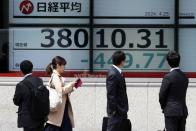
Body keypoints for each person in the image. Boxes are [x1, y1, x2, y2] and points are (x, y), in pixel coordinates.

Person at [159, 50, 189, 131]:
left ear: (168, 63)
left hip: (171, 111)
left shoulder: (168, 77)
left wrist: (163, 107)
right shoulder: (185, 77)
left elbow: (162, 95)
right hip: (182, 110)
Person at [44, 56, 75, 131]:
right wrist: (70, 86)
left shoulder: (57, 76)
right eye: (63, 65)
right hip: (59, 110)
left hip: (61, 110)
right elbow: (60, 91)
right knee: (55, 126)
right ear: (58, 65)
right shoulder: (55, 76)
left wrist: (70, 89)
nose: (64, 68)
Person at [13, 60, 46, 131]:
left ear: (21, 70)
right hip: (40, 117)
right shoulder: (39, 80)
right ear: (32, 69)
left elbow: (16, 101)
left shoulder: (20, 85)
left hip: (28, 120)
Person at [106, 50, 129, 131]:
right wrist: (116, 110)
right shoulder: (113, 74)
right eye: (124, 60)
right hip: (116, 112)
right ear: (122, 61)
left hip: (120, 111)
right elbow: (111, 95)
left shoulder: (117, 72)